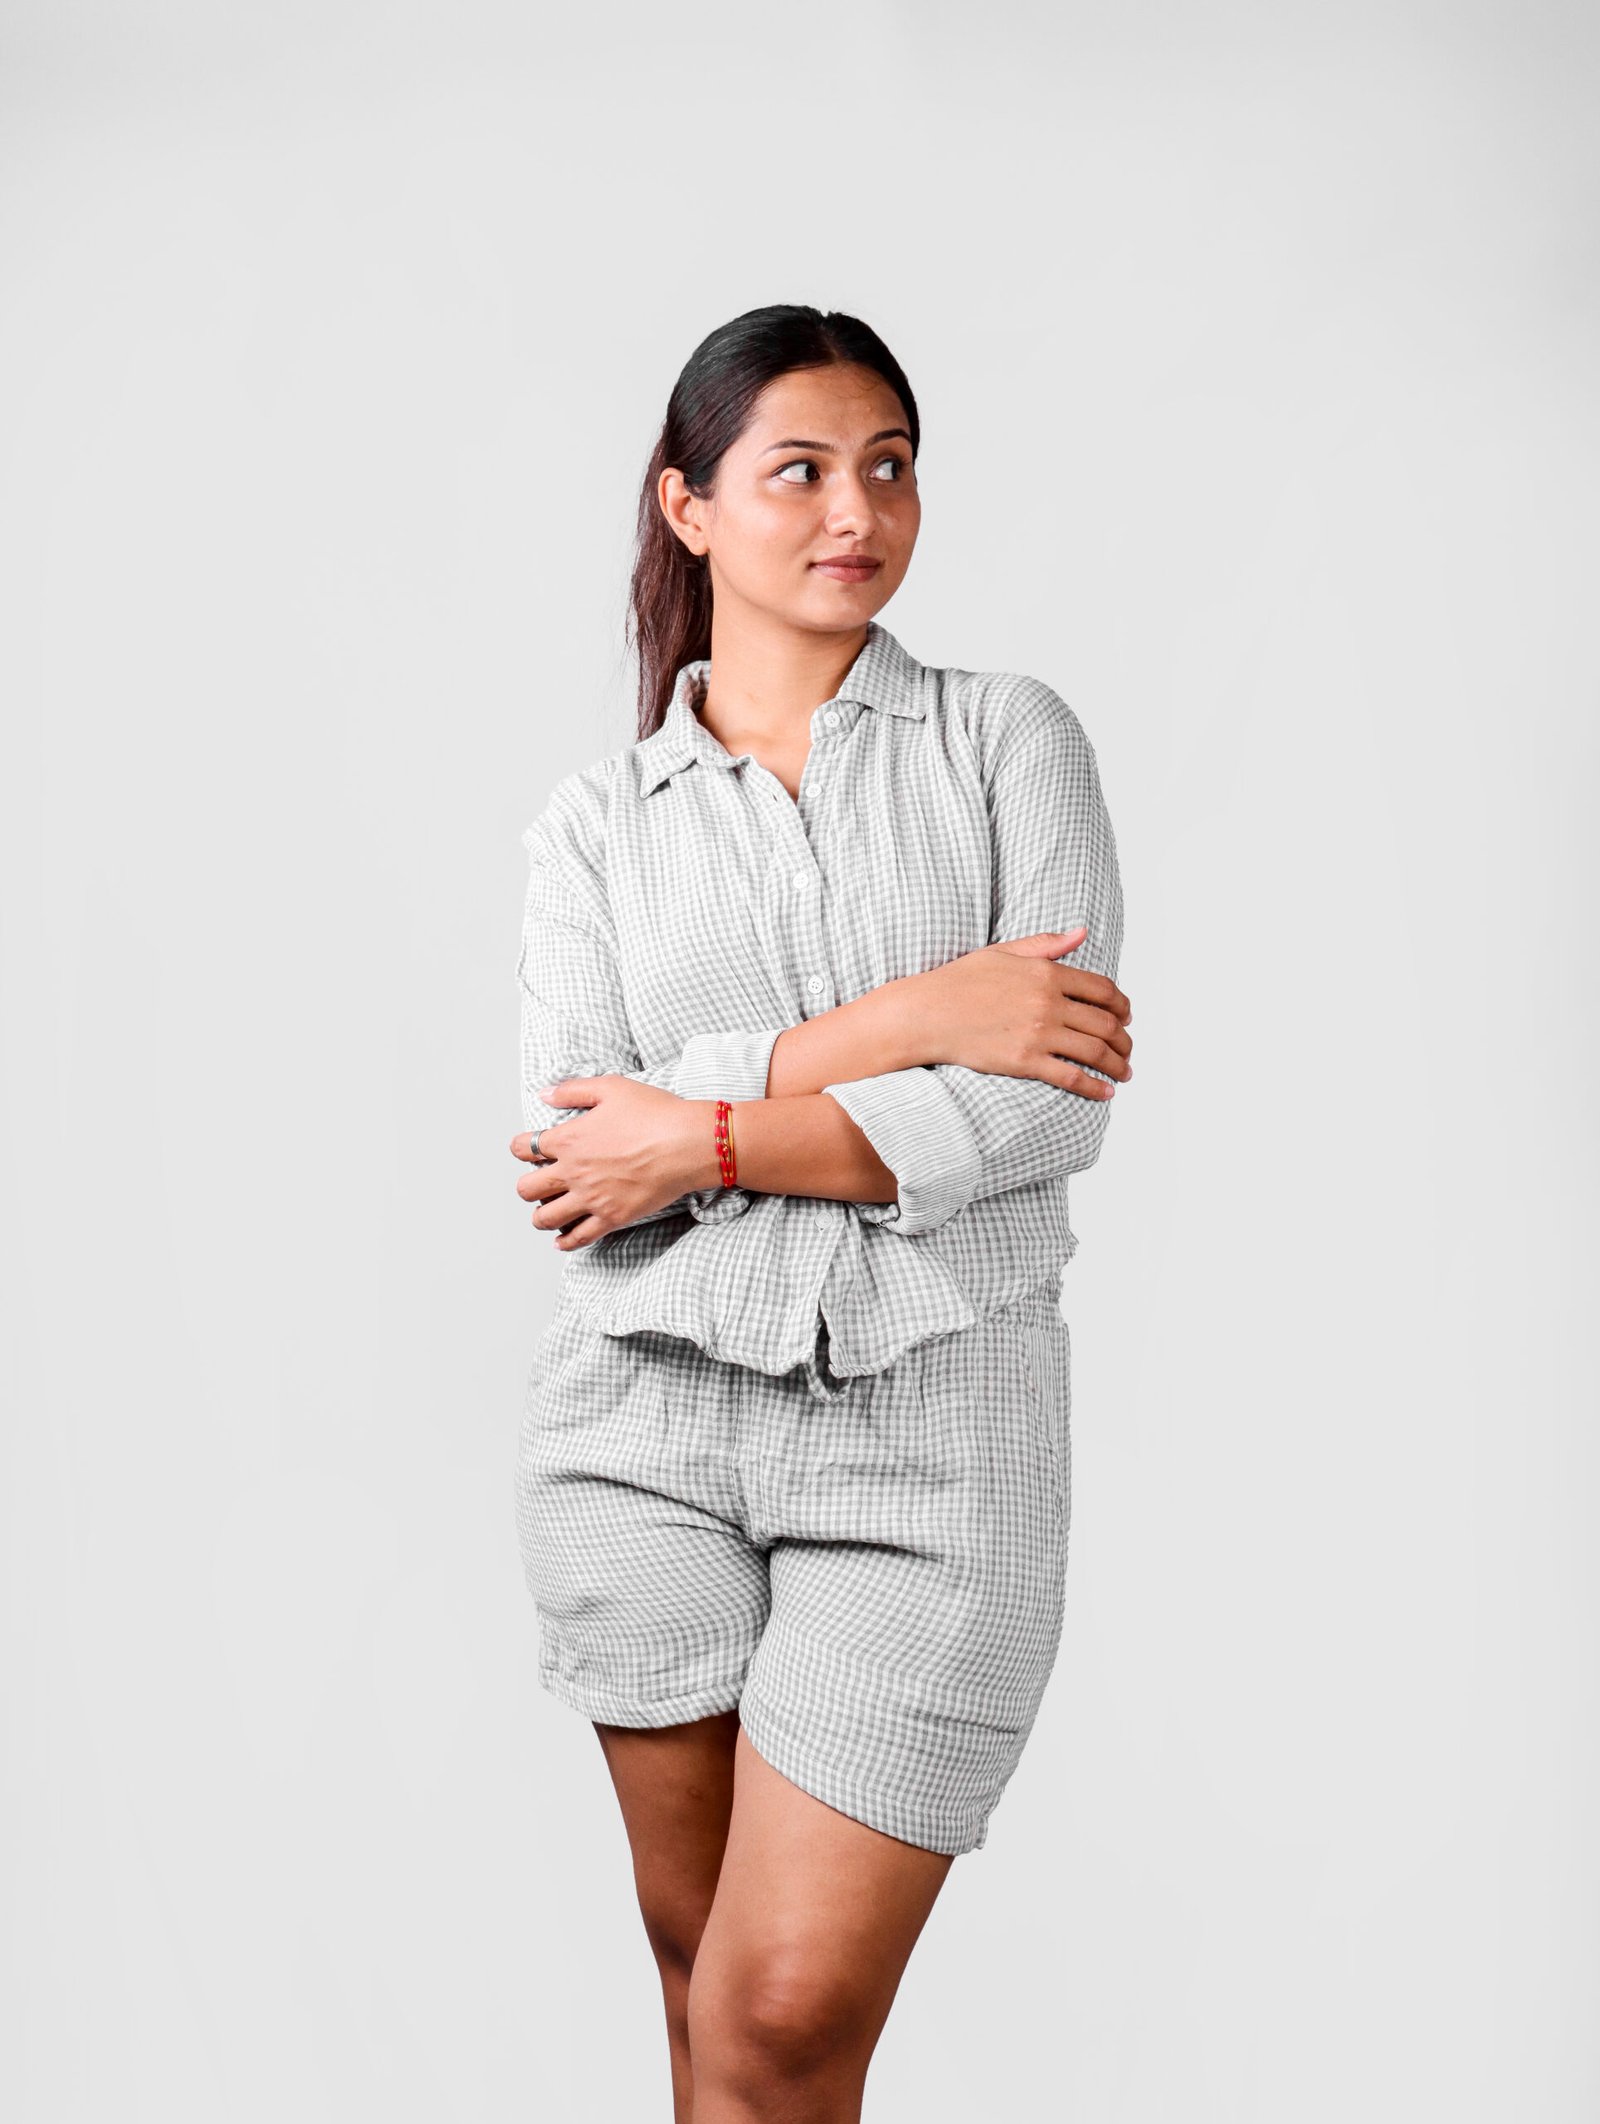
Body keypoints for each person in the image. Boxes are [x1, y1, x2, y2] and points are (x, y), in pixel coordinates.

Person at [508, 303, 1133, 2123]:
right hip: (644, 1440)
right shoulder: (595, 830)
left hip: (937, 1441)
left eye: (890, 466)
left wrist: (699, 1135)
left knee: (779, 2015)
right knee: (704, 1997)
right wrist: (910, 1020)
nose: (858, 509)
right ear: (689, 506)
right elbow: (574, 1156)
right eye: (801, 470)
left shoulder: (1006, 741)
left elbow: (1040, 1104)